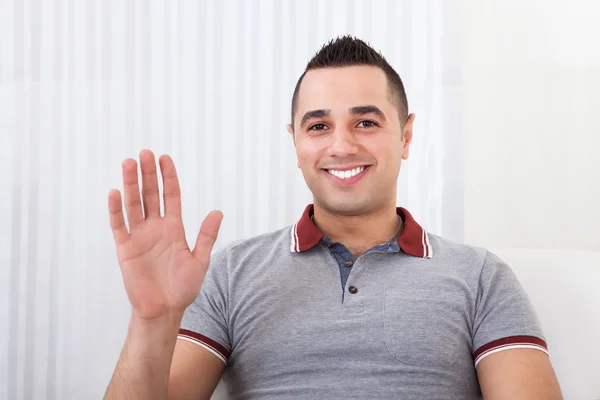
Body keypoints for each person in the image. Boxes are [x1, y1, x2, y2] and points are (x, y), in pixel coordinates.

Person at [104, 36, 562, 399]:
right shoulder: (228, 274)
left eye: (366, 122)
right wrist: (153, 319)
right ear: (296, 142)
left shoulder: (482, 277)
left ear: (405, 137)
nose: (341, 146)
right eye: (318, 126)